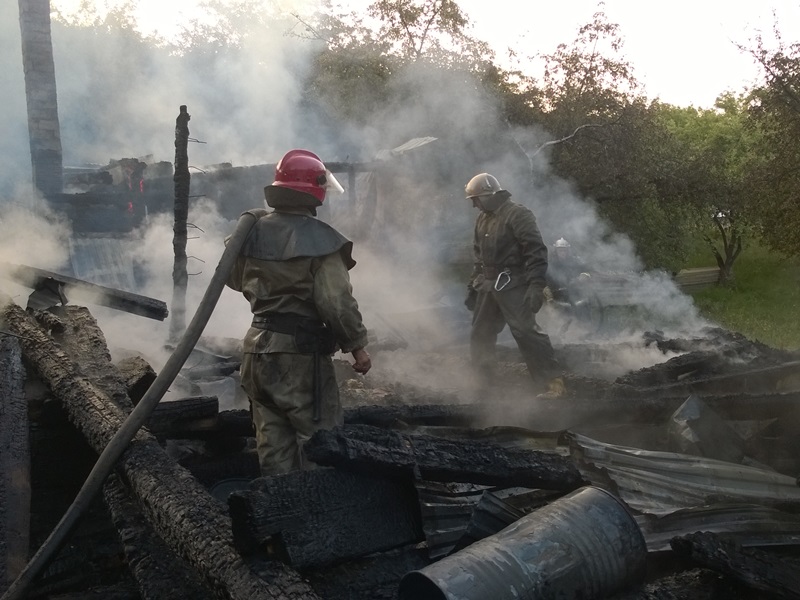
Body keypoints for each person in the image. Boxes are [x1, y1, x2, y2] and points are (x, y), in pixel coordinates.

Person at [225, 149, 371, 476]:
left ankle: (281, 518)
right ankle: (322, 519)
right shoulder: (320, 241)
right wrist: (357, 346)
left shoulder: (251, 231)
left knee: (273, 447)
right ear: (314, 190)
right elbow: (336, 302)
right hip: (299, 359)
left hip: (255, 353)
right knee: (321, 445)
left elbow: (234, 280)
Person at [462, 172, 562, 393]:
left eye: (476, 200)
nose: (474, 205)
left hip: (514, 284)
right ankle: (484, 386)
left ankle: (552, 384)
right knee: (480, 334)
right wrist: (472, 285)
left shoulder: (518, 214)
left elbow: (535, 251)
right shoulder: (483, 218)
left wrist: (536, 285)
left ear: (487, 195)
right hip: (487, 286)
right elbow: (479, 256)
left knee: (526, 333)